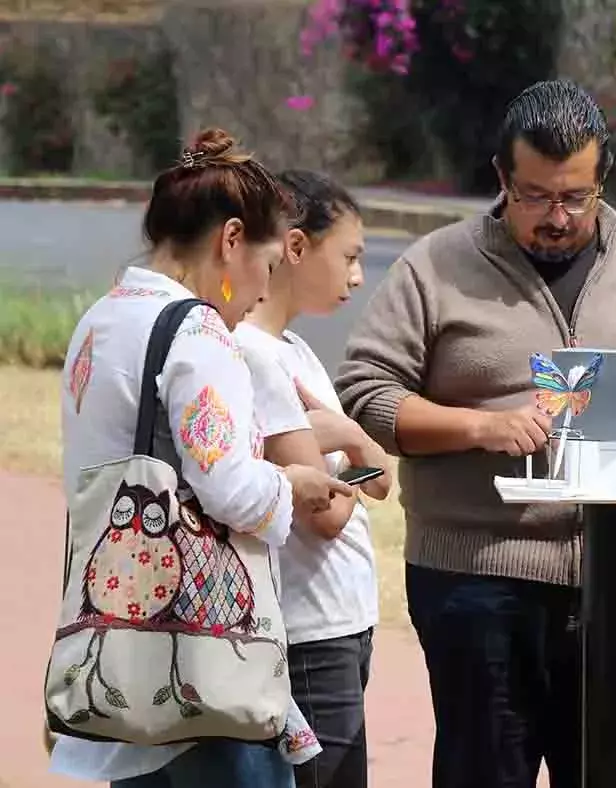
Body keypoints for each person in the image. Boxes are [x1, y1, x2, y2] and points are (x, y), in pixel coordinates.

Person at [333, 79, 616, 788]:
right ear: (500, 178)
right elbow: (366, 391)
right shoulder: (437, 265)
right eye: (534, 195)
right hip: (477, 582)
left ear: (604, 177)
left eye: (576, 197)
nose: (556, 217)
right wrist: (482, 426)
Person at [53, 128, 352, 788]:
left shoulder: (100, 321)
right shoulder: (197, 330)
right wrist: (294, 486)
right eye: (268, 268)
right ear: (231, 240)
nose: (258, 293)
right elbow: (233, 492)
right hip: (202, 665)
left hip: (123, 648)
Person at [236, 169, 392, 788]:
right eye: (350, 256)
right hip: (308, 628)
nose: (357, 275)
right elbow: (325, 514)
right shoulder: (254, 353)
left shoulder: (296, 352)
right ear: (296, 247)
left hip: (345, 618)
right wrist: (351, 438)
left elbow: (381, 481)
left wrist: (343, 439)